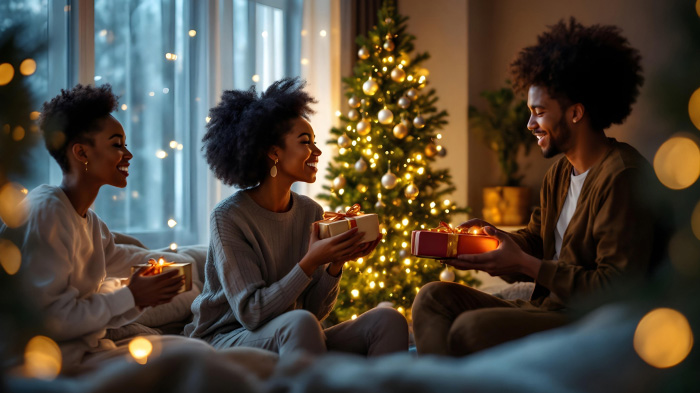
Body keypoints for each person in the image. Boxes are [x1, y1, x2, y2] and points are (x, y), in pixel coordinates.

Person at [412, 18, 664, 356]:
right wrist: (490, 242)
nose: (530, 124)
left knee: (471, 331)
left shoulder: (622, 176)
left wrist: (526, 265)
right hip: (546, 309)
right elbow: (535, 241)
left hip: (586, 320)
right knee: (432, 298)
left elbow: (614, 288)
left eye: (539, 112)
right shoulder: (560, 172)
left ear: (576, 113)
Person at [0, 84, 220, 373]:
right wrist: (133, 295)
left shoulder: (90, 222)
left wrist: (179, 269)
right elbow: (49, 321)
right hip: (45, 364)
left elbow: (120, 258)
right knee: (197, 362)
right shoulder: (47, 211)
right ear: (81, 152)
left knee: (197, 352)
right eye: (117, 144)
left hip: (85, 350)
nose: (128, 155)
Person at [184, 78, 408, 356]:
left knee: (388, 321)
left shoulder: (310, 212)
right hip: (228, 336)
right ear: (274, 152)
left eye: (314, 142)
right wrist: (310, 261)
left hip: (293, 330)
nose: (317, 151)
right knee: (299, 324)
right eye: (305, 142)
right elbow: (253, 314)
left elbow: (313, 313)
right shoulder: (228, 216)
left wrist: (335, 264)